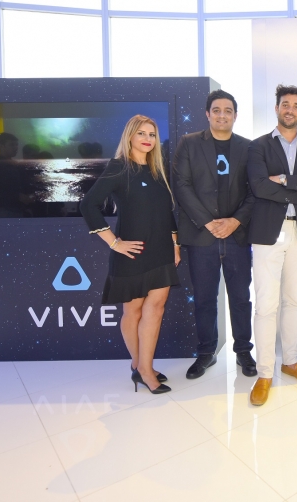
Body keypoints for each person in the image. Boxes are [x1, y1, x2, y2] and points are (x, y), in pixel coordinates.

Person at [80, 115, 180, 395]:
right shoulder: (118, 168)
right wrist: (113, 243)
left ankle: (145, 367)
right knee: (133, 311)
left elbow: (166, 212)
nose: (148, 139)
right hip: (133, 254)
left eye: (152, 134)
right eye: (141, 133)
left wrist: (175, 244)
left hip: (162, 250)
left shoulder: (157, 170)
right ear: (130, 136)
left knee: (156, 309)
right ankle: (141, 367)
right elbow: (88, 205)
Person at [246, 85, 297, 406]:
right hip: (269, 231)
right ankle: (265, 373)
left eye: (295, 105)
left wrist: (282, 179)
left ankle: (290, 361)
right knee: (266, 304)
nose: (290, 109)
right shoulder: (258, 146)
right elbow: (258, 187)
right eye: (285, 104)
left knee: (293, 300)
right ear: (277, 108)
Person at [173, 90, 257, 380]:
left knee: (241, 297)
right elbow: (181, 186)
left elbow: (255, 190)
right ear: (207, 114)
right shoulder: (189, 143)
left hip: (237, 236)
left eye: (228, 110)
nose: (223, 115)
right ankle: (206, 352)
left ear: (235, 115)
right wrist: (208, 223)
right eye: (217, 110)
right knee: (205, 298)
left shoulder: (248, 148)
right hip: (201, 236)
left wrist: (235, 221)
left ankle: (243, 350)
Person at [0, 132, 30, 217]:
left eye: (16, 145)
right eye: (12, 145)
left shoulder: (15, 164)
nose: (16, 147)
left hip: (19, 208)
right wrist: (17, 196)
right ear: (1, 146)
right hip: (5, 209)